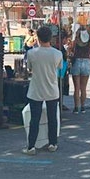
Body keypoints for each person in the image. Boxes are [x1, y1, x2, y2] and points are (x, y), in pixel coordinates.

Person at [22, 26, 62, 155]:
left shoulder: (32, 53)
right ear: (50, 38)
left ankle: (31, 146)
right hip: (52, 89)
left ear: (37, 38)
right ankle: (53, 143)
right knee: (52, 118)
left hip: (36, 89)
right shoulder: (57, 53)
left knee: (34, 119)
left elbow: (29, 69)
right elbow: (59, 67)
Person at [69, 25, 90, 113]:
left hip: (77, 62)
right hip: (86, 62)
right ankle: (82, 107)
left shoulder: (75, 41)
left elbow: (71, 50)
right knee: (83, 88)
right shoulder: (89, 42)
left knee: (76, 88)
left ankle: (76, 107)